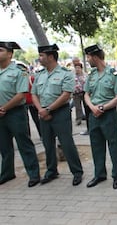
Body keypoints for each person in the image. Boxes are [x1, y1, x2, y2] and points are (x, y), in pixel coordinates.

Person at [31, 44, 83, 186]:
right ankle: (51, 171)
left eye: (42, 55)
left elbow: (66, 95)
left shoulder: (65, 73)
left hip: (60, 113)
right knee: (47, 143)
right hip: (42, 112)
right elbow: (34, 94)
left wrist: (48, 110)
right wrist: (41, 110)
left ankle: (77, 172)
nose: (39, 58)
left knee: (67, 143)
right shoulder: (39, 74)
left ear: (51, 57)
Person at [83, 44, 117, 189]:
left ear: (95, 57)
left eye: (88, 57)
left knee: (114, 145)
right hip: (94, 114)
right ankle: (99, 174)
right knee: (96, 145)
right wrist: (93, 107)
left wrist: (103, 107)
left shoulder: (113, 74)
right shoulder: (91, 75)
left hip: (108, 114)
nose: (87, 60)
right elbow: (86, 94)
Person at [0, 41, 40, 187]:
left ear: (10, 54)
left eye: (0, 50)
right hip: (1, 114)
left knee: (24, 143)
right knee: (4, 146)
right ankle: (7, 173)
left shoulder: (19, 71)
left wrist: (4, 108)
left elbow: (21, 94)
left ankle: (34, 174)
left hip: (15, 112)